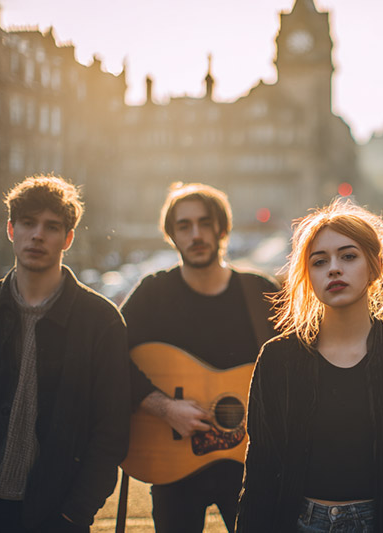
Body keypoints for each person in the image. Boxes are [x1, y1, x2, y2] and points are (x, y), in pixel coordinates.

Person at [236, 200, 383, 532]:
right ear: (308, 275)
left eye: (348, 256)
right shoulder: (278, 359)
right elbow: (260, 471)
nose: (334, 268)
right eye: (319, 261)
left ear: (375, 266)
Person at [0, 175, 131, 532]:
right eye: (28, 223)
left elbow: (112, 430)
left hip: (59, 516)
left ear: (68, 238)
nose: (38, 235)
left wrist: (77, 510)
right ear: (11, 229)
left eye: (52, 227)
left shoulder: (100, 321)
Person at [121, 182, 278, 533]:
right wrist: (163, 407)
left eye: (205, 223)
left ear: (223, 229)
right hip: (173, 463)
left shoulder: (261, 294)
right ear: (171, 235)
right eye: (184, 226)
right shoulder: (152, 295)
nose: (196, 234)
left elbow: (301, 364)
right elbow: (108, 357)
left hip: (252, 467)